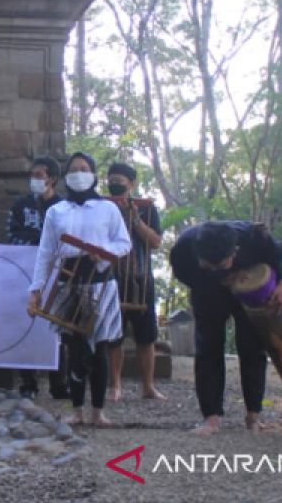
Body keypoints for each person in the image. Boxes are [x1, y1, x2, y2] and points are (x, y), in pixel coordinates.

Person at [27, 152, 131, 427]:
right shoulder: (56, 211)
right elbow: (46, 252)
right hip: (68, 282)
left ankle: (98, 411)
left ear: (94, 174)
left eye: (84, 168)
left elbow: (124, 243)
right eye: (73, 169)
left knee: (100, 348)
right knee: (73, 348)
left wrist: (103, 253)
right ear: (66, 176)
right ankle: (77, 410)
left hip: (101, 283)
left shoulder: (108, 209)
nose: (78, 172)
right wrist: (36, 289)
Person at [170, 220, 282, 435]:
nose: (215, 269)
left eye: (221, 265)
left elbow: (277, 256)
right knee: (208, 348)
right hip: (207, 293)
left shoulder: (254, 237)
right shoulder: (184, 248)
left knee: (252, 347)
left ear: (235, 251)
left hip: (249, 289)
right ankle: (211, 418)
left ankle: (254, 415)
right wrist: (220, 278)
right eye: (209, 265)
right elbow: (184, 274)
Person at [104, 162, 166, 401]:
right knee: (113, 335)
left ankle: (148, 387)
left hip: (141, 278)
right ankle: (115, 386)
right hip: (112, 278)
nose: (115, 184)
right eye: (112, 179)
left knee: (146, 335)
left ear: (131, 183)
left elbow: (156, 241)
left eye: (120, 180)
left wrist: (135, 219)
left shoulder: (146, 208)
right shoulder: (103, 207)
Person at [8, 156, 69, 399]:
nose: (34, 180)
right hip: (24, 272)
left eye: (39, 176)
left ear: (52, 179)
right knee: (26, 324)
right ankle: (28, 384)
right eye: (31, 175)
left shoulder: (64, 208)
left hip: (56, 276)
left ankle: (58, 384)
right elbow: (11, 233)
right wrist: (37, 243)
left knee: (58, 329)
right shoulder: (20, 205)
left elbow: (67, 239)